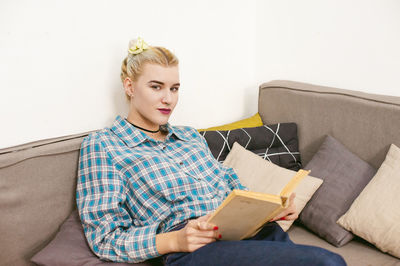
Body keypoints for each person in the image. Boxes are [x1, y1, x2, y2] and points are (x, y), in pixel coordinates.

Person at [76, 38, 346, 266]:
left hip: (245, 231)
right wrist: (174, 240)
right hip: (195, 249)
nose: (168, 99)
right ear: (129, 86)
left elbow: (232, 188)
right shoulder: (104, 145)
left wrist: (270, 210)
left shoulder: (190, 137)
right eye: (156, 87)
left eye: (174, 88)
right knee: (327, 262)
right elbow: (104, 238)